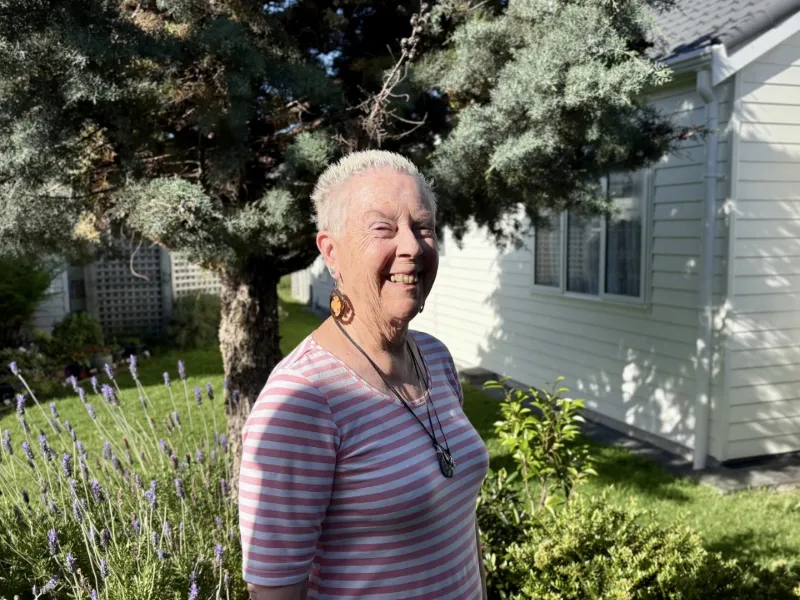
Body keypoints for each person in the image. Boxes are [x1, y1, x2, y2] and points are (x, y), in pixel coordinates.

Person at [238, 150, 490, 600]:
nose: (412, 246)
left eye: (423, 227)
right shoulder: (301, 399)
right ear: (331, 252)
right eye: (383, 228)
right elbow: (275, 592)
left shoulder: (435, 358)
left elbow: (459, 527)